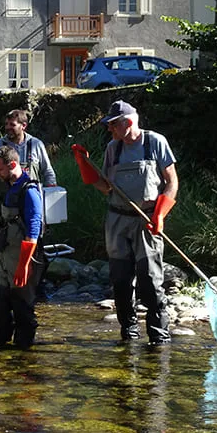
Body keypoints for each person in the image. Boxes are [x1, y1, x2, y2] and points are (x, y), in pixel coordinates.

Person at [73, 100, 178, 345]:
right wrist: (83, 163)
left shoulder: (155, 143)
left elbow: (172, 182)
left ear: (128, 123)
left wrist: (160, 214)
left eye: (112, 126)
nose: (110, 130)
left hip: (147, 221)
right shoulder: (113, 148)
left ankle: (158, 335)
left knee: (150, 280)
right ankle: (128, 331)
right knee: (120, 280)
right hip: (117, 221)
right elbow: (105, 187)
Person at [0, 109, 57, 299]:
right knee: (5, 246)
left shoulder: (36, 145)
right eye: (6, 124)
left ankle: (36, 288)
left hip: (31, 206)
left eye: (12, 125)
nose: (7, 128)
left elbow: (48, 173)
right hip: (5, 208)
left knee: (36, 246)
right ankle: (7, 282)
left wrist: (51, 200)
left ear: (23, 126)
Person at [0, 146, 44, 349]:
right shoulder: (6, 186)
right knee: (1, 307)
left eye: (0, 170)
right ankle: (0, 347)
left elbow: (33, 230)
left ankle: (24, 353)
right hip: (5, 257)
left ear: (12, 165)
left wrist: (24, 266)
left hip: (24, 258)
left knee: (22, 307)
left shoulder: (28, 191)